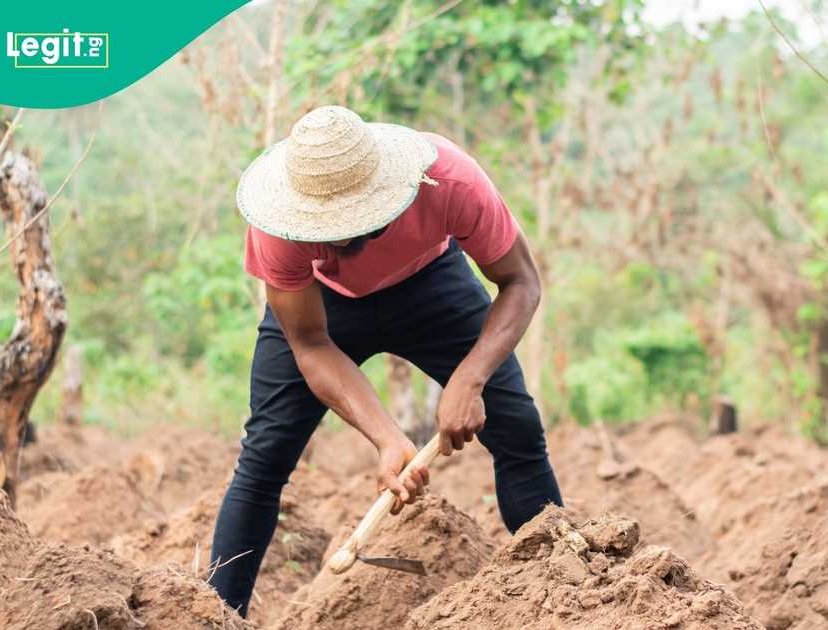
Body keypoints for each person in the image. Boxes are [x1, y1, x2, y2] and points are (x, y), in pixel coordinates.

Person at [208, 105, 563, 616]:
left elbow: (522, 281)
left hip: (431, 283)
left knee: (518, 428)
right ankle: (217, 614)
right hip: (322, 308)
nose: (340, 241)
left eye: (357, 224)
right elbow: (309, 344)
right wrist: (388, 438)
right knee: (265, 456)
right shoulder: (277, 226)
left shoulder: (448, 179)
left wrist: (470, 378)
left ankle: (567, 591)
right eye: (324, 231)